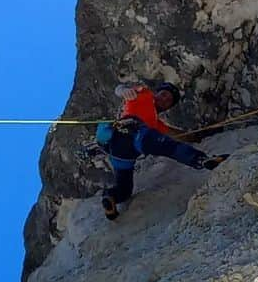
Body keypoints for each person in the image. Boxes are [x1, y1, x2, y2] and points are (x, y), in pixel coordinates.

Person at [88, 82, 228, 220]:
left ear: (168, 108)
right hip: (133, 134)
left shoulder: (156, 124)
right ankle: (201, 160)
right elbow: (122, 89)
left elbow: (179, 134)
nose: (165, 99)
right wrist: (124, 90)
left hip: (119, 153)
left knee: (124, 189)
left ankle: (110, 198)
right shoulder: (145, 95)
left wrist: (202, 135)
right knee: (169, 147)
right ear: (156, 93)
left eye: (169, 101)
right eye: (164, 94)